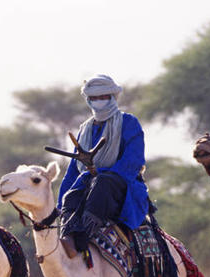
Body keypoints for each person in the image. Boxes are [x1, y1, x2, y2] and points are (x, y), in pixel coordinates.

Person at [57, 74, 148, 258]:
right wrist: (60, 204)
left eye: (103, 97)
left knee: (102, 183)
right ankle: (66, 236)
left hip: (121, 185)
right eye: (94, 98)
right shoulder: (85, 129)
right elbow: (73, 170)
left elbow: (133, 161)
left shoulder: (128, 123)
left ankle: (81, 239)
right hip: (88, 182)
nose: (99, 101)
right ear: (88, 100)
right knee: (71, 196)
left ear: (112, 97)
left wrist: (99, 173)